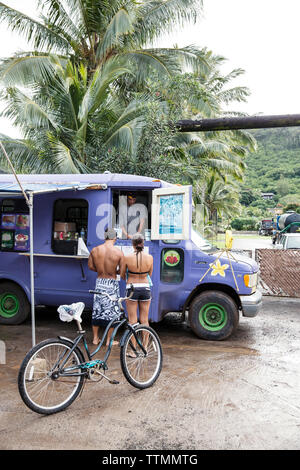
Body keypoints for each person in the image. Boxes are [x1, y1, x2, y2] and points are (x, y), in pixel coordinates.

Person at [88, 228, 124, 346]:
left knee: (97, 310)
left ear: (105, 237)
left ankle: (95, 338)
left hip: (99, 282)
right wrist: (115, 272)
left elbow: (90, 266)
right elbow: (122, 272)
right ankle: (109, 341)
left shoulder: (95, 250)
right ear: (115, 238)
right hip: (111, 283)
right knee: (112, 312)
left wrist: (100, 270)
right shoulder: (118, 252)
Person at [120, 233, 153, 351]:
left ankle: (133, 349)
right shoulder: (149, 257)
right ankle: (145, 348)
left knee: (132, 320)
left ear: (132, 244)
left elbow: (122, 274)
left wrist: (129, 278)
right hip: (145, 287)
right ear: (143, 243)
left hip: (132, 287)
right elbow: (150, 274)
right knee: (144, 319)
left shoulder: (127, 257)